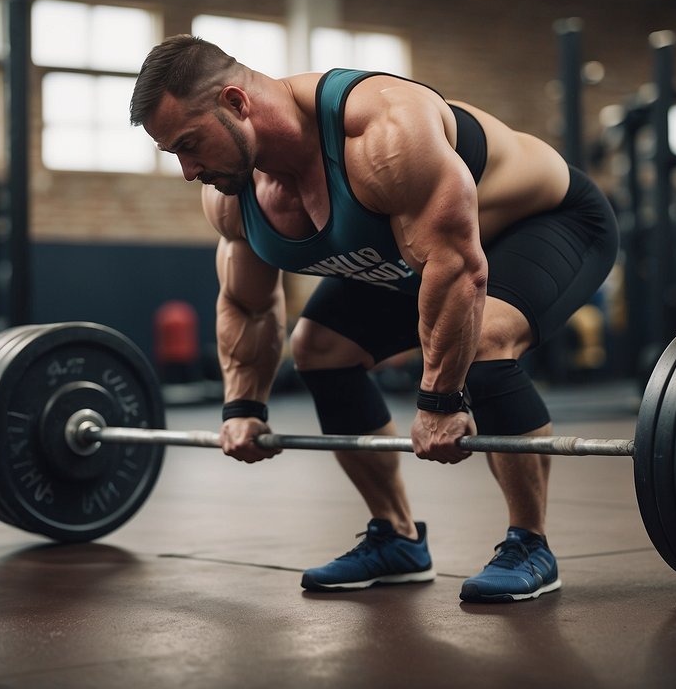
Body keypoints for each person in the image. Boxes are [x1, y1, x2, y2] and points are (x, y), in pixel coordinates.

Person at [129, 35, 619, 603]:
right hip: (420, 253)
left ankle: (530, 544)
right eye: (175, 154)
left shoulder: (382, 130)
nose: (189, 170)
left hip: (547, 222)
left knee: (484, 338)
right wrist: (244, 407)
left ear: (237, 102)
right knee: (319, 349)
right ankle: (398, 537)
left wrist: (440, 401)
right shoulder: (233, 193)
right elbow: (247, 302)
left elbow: (456, 267)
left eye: (190, 144)